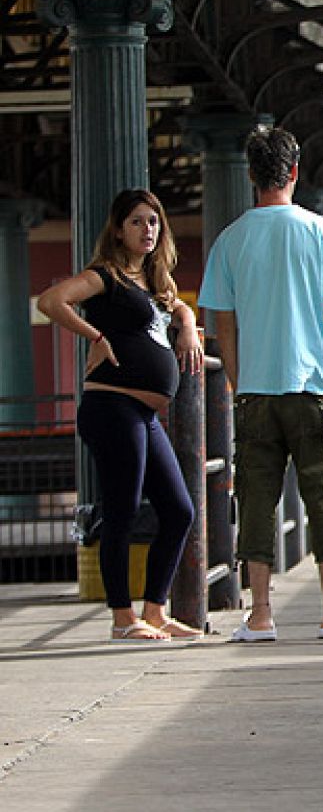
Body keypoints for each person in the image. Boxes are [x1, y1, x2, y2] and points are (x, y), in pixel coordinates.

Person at [198, 127, 323, 642]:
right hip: (314, 388)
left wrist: (236, 381)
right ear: (294, 172)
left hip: (256, 391)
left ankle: (261, 616)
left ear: (251, 175)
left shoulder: (230, 239)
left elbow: (222, 324)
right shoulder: (322, 233)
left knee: (255, 499)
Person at [37, 189, 205, 643]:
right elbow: (51, 301)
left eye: (153, 222)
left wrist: (187, 326)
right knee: (123, 509)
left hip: (144, 417)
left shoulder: (156, 283)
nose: (147, 230)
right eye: (136, 222)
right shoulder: (105, 275)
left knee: (178, 509)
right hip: (111, 408)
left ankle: (154, 610)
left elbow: (181, 306)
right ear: (117, 228)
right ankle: (121, 617)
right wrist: (94, 335)